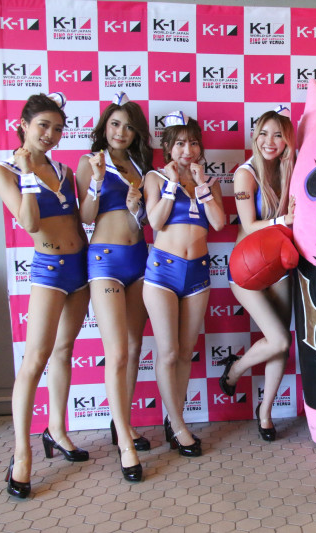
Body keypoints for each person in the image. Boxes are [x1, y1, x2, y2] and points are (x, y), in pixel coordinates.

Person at [0, 93, 90, 498]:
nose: (51, 134)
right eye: (43, 126)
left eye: (58, 128)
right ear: (23, 125)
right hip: (48, 270)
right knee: (35, 360)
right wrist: (28, 174)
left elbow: (77, 219)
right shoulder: (3, 171)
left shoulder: (63, 169)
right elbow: (30, 222)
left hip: (80, 268)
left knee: (64, 352)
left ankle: (57, 431)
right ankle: (22, 453)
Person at [75, 92, 152, 481]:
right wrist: (97, 182)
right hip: (104, 261)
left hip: (139, 258)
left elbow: (145, 218)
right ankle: (124, 443)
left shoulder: (141, 165)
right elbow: (85, 216)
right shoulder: (91, 161)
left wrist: (139, 206)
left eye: (128, 126)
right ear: (105, 127)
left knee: (135, 348)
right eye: (115, 124)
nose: (121, 132)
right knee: (117, 352)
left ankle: (125, 423)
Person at [142, 111, 225, 457]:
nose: (187, 150)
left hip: (198, 274)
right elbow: (155, 221)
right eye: (179, 143)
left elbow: (219, 223)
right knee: (169, 352)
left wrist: (202, 186)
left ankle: (173, 419)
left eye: (192, 143)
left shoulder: (210, 181)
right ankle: (178, 426)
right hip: (162, 272)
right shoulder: (154, 177)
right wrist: (173, 184)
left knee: (185, 352)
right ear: (167, 147)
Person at [219, 106, 296, 441]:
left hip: (280, 265)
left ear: (287, 140)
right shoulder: (245, 174)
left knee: (281, 345)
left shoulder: (291, 168)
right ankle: (235, 369)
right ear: (255, 136)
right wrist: (283, 220)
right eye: (264, 133)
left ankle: (265, 413)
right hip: (246, 268)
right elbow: (249, 225)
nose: (270, 141)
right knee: (278, 339)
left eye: (278, 135)